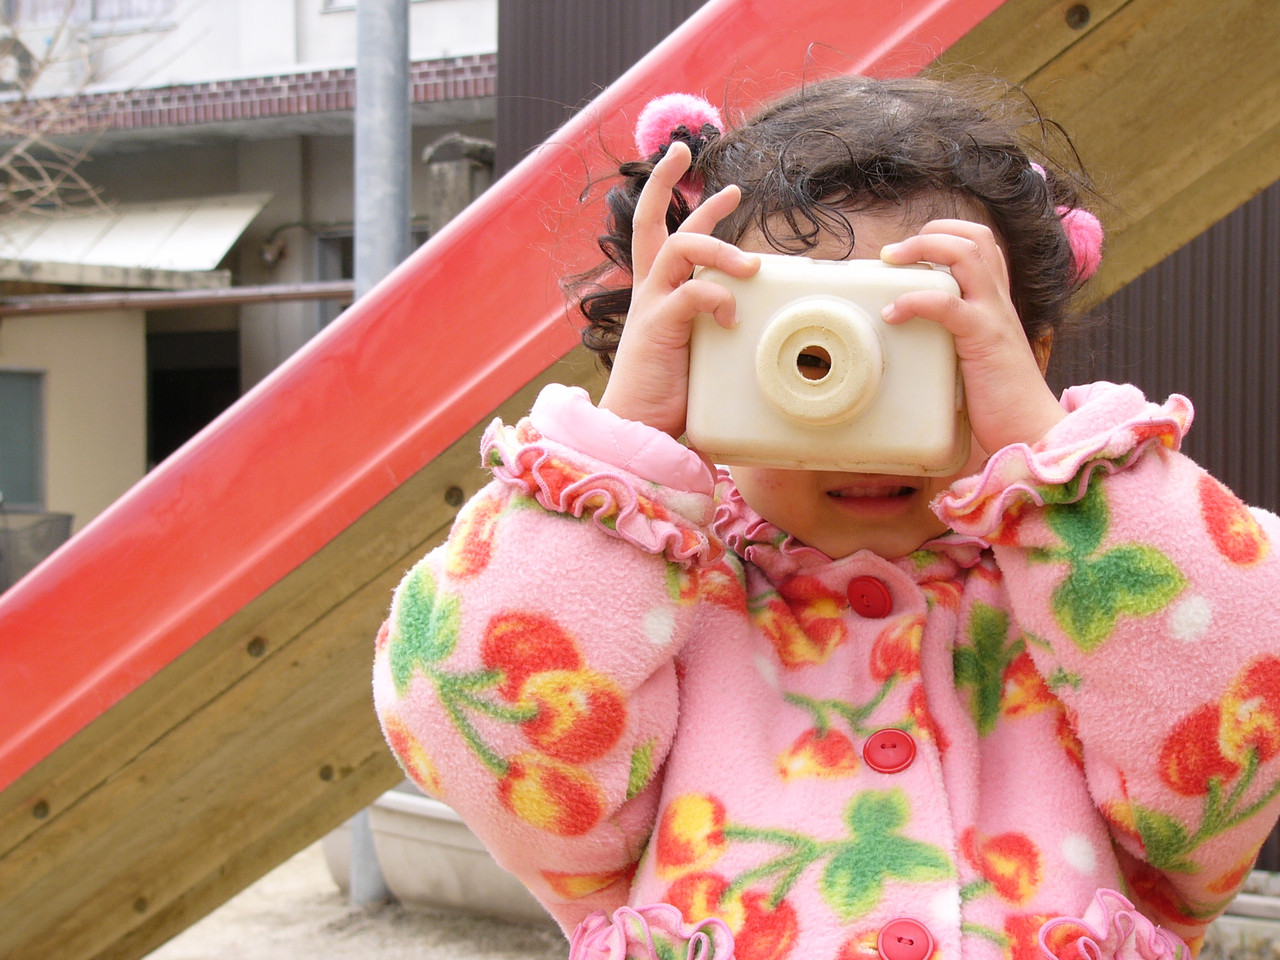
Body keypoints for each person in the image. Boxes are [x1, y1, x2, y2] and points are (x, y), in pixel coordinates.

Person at [373, 75, 1280, 960]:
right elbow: (467, 725)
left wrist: (1059, 463)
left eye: (923, 343)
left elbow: (1250, 714)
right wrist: (623, 445)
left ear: (1024, 356)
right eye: (804, 352)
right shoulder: (649, 605)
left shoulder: (1084, 589)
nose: (853, 409)